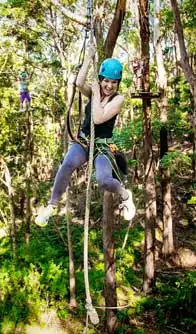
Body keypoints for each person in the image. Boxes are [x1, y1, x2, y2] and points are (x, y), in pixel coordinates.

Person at [35, 48, 136, 226]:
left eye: (113, 82)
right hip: (84, 140)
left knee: (104, 181)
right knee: (67, 164)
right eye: (106, 81)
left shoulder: (117, 100)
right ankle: (51, 206)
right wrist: (89, 58)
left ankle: (125, 195)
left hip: (103, 146)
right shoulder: (94, 91)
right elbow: (79, 83)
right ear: (101, 79)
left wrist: (96, 93)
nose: (109, 86)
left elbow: (98, 118)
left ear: (118, 83)